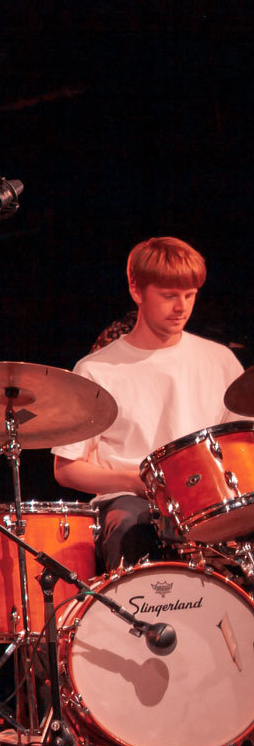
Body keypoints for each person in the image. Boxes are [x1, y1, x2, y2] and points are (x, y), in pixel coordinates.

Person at [53, 237, 248, 569]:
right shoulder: (96, 369)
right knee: (130, 528)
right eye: (169, 296)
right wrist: (132, 480)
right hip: (129, 500)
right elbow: (67, 469)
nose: (181, 307)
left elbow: (241, 445)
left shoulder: (220, 360)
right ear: (136, 291)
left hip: (210, 497)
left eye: (190, 296)